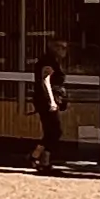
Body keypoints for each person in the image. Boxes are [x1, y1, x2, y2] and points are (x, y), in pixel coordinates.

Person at [26, 37, 68, 175]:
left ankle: (41, 159)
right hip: (46, 100)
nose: (64, 51)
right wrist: (52, 101)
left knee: (51, 131)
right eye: (61, 47)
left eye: (65, 48)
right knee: (55, 131)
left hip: (48, 99)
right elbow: (46, 81)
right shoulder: (48, 61)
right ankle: (37, 157)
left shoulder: (54, 61)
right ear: (53, 48)